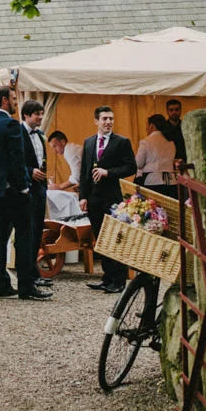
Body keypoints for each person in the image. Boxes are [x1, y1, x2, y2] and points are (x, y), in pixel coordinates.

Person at [0, 86, 48, 300]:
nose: (16, 101)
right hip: (13, 191)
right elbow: (16, 161)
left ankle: (2, 284)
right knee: (24, 237)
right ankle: (27, 286)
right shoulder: (11, 125)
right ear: (5, 101)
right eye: (13, 98)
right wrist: (24, 187)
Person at [80, 105, 138, 292]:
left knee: (115, 238)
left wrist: (108, 172)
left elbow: (131, 168)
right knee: (101, 239)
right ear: (96, 121)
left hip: (113, 199)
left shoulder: (122, 142)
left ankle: (119, 281)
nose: (108, 122)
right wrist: (82, 196)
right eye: (104, 119)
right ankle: (107, 278)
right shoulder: (89, 143)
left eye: (111, 119)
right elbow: (84, 172)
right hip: (93, 199)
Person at [20, 99, 53, 290]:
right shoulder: (18, 133)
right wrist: (29, 171)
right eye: (37, 114)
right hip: (27, 188)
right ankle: (29, 273)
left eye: (41, 113)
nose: (41, 117)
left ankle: (34, 271)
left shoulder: (40, 135)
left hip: (40, 188)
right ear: (26, 115)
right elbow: (14, 160)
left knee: (37, 230)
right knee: (29, 231)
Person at [134, 114, 177, 190]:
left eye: (147, 125)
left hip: (152, 181)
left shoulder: (145, 142)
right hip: (171, 181)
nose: (146, 128)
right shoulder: (171, 143)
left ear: (152, 126)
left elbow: (138, 164)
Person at [163, 99, 188, 163]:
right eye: (171, 110)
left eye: (177, 110)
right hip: (168, 164)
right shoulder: (162, 129)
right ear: (167, 111)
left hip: (184, 162)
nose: (174, 112)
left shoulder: (186, 127)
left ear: (181, 110)